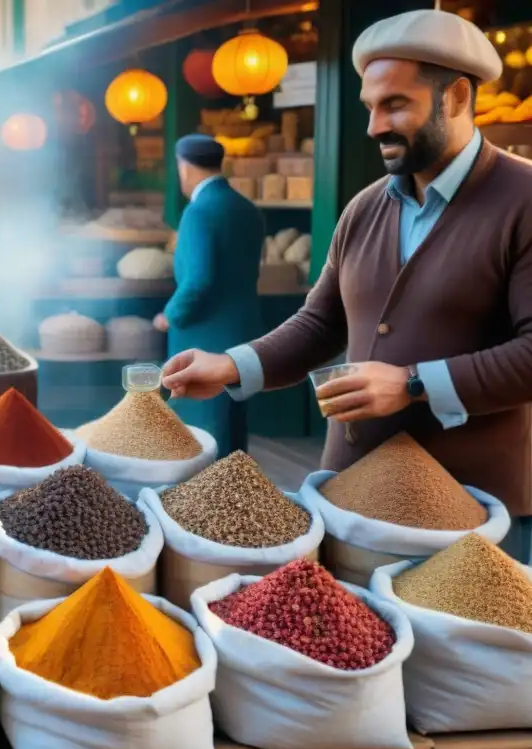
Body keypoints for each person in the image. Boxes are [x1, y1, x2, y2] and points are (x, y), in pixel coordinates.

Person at [160, 10, 532, 562]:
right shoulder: (363, 207)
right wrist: (233, 365)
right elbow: (321, 322)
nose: (374, 125)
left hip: (471, 516)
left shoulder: (522, 201)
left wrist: (411, 383)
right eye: (369, 107)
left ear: (455, 97)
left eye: (395, 104)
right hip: (348, 497)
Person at [152, 135, 265, 457]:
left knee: (200, 433)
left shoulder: (198, 212)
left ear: (183, 167)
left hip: (203, 337)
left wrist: (170, 315)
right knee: (233, 429)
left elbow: (199, 279)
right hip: (244, 333)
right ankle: (236, 492)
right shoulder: (247, 208)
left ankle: (203, 501)